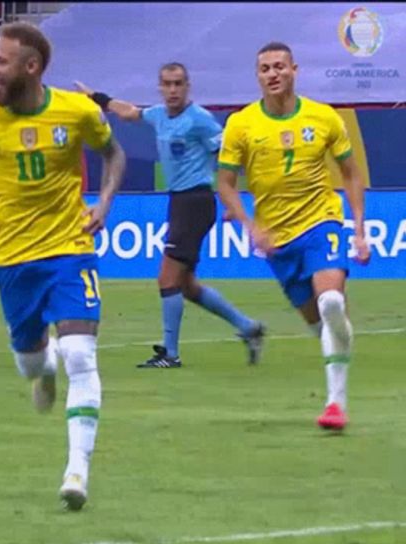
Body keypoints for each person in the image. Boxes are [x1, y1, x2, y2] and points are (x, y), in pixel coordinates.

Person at [0, 22, 126, 510]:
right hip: (15, 259)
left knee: (82, 355)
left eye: (0, 64)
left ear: (31, 67)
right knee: (30, 359)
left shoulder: (77, 110)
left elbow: (115, 156)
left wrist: (103, 204)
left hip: (70, 248)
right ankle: (42, 371)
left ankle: (76, 471)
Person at [216, 42, 369, 431]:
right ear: (258, 75)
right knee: (321, 325)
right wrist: (252, 227)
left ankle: (336, 404)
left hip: (322, 223)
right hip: (278, 242)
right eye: (265, 68)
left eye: (280, 66)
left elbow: (351, 173)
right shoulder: (242, 124)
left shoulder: (323, 117)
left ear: (294, 70)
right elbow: (226, 184)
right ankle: (342, 341)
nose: (273, 74)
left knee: (331, 300)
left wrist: (359, 230)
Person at [75, 64, 265, 369]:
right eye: (167, 84)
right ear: (160, 88)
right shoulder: (158, 115)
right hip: (179, 203)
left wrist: (234, 200)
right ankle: (248, 327)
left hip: (196, 202)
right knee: (187, 285)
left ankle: (170, 354)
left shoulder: (200, 120)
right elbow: (129, 112)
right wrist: (97, 98)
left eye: (178, 84)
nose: (173, 90)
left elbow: (230, 156)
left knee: (166, 278)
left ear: (188, 86)